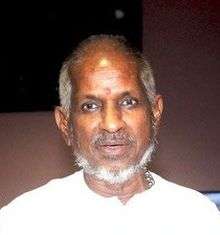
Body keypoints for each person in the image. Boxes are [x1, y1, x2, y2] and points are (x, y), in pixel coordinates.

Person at [0, 35, 219, 234]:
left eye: (128, 102)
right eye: (90, 106)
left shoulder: (199, 218)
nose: (112, 124)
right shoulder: (22, 221)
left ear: (155, 113)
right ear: (65, 124)